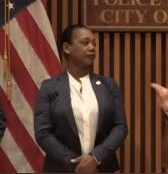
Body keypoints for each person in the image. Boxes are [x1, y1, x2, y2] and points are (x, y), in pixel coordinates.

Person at [34, 24, 128, 173]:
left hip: (103, 168)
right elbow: (43, 133)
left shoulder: (108, 85)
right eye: (85, 43)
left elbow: (120, 126)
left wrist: (96, 158)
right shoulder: (49, 87)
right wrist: (74, 163)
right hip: (62, 168)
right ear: (67, 48)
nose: (92, 48)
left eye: (94, 44)